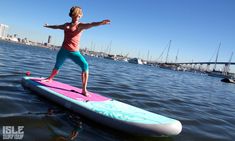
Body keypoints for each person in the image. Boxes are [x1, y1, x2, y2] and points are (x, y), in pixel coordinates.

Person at [43, 6, 110, 96]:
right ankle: (50, 78)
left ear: (80, 16)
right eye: (76, 15)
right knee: (57, 67)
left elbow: (91, 24)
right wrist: (48, 26)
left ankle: (84, 89)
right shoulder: (66, 25)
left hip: (74, 52)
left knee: (85, 65)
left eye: (79, 15)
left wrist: (101, 23)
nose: (77, 17)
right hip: (63, 51)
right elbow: (57, 27)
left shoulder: (80, 26)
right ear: (72, 15)